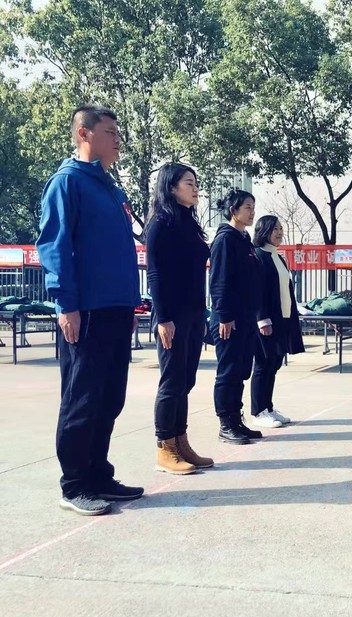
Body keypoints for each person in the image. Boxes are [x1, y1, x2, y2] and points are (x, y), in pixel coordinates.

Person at [37, 105, 144, 516]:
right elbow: (55, 246)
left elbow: (120, 252)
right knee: (82, 399)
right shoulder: (67, 183)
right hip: (86, 311)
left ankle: (99, 475)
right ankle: (75, 484)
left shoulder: (111, 189)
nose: (118, 139)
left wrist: (129, 303)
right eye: (110, 132)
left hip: (116, 307)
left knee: (109, 397)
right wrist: (66, 304)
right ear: (84, 134)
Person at [146, 163, 213, 474]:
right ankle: (165, 447)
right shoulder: (161, 223)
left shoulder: (190, 222)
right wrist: (164, 318)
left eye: (196, 182)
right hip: (171, 316)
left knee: (186, 380)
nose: (195, 188)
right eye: (189, 183)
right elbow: (155, 274)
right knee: (172, 381)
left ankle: (181, 441)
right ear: (171, 187)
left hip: (194, 313)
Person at [209, 189, 264, 444]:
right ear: (234, 210)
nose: (252, 212)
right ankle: (225, 423)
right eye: (247, 208)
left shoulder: (244, 240)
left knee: (241, 370)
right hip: (229, 319)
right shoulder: (225, 240)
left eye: (253, 207)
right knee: (228, 372)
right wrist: (224, 315)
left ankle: (236, 419)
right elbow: (219, 280)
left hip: (246, 317)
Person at [250, 216, 305, 428]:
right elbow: (257, 292)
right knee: (263, 364)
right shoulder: (258, 256)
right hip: (267, 320)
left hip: (283, 318)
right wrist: (262, 319)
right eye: (274, 229)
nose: (279, 233)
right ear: (263, 231)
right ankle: (258, 411)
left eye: (281, 228)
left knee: (274, 363)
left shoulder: (278, 257)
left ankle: (268, 407)